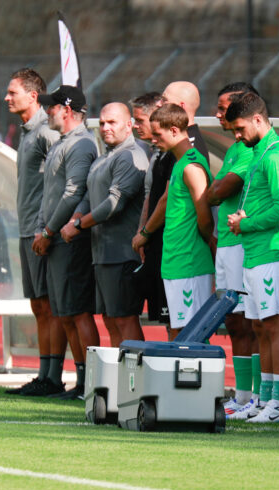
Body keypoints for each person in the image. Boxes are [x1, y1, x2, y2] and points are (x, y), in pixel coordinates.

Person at [226, 92, 279, 424]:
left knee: (274, 324)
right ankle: (264, 398)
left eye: (240, 129)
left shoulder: (276, 154)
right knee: (259, 325)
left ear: (258, 119)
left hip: (272, 251)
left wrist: (247, 223)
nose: (237, 136)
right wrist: (247, 217)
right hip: (255, 252)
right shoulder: (259, 153)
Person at [60, 102, 147, 346]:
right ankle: (120, 379)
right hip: (102, 254)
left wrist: (78, 226)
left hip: (122, 254)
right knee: (110, 319)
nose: (105, 128)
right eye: (102, 123)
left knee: (125, 319)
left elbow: (113, 204)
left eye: (112, 122)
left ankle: (136, 380)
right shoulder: (103, 158)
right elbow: (88, 196)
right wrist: (74, 218)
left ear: (129, 125)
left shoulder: (131, 156)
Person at [34, 85, 100, 399]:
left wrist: (48, 231)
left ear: (67, 110)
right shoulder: (64, 143)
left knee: (77, 311)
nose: (47, 111)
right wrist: (42, 229)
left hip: (68, 239)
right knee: (65, 313)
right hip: (56, 236)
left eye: (52, 107)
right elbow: (51, 194)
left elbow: (74, 193)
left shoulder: (82, 144)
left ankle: (90, 383)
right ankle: (81, 380)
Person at [2, 68, 65, 396]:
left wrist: (48, 227)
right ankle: (44, 374)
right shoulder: (27, 132)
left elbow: (63, 178)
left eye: (13, 92)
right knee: (38, 305)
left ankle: (53, 377)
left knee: (52, 305)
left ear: (33, 95)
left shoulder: (46, 131)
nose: (7, 98)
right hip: (27, 229)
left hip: (43, 231)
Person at [205, 82, 261, 419]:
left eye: (224, 107)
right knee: (234, 320)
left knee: (251, 321)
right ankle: (241, 397)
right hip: (227, 243)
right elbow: (216, 189)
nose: (218, 113)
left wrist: (216, 189)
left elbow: (219, 190)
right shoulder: (234, 148)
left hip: (242, 244)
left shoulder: (251, 149)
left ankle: (257, 396)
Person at [148, 103, 215, 339]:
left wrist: (206, 244)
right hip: (176, 260)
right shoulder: (179, 162)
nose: (153, 140)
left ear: (175, 130)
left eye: (158, 134)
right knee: (179, 331)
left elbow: (205, 218)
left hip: (190, 261)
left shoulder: (192, 166)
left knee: (192, 334)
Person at [128, 92, 171, 330]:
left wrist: (144, 232)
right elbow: (150, 197)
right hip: (154, 244)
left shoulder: (179, 153)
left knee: (176, 321)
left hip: (172, 248)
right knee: (166, 320)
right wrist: (143, 234)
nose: (136, 126)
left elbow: (166, 199)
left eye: (140, 120)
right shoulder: (156, 152)